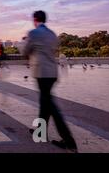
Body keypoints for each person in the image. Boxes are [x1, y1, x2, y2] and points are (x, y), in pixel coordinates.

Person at [23, 10, 77, 152]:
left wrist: (24, 41)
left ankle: (69, 141)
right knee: (45, 102)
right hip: (52, 72)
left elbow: (25, 51)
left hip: (41, 72)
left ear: (35, 19)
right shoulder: (52, 34)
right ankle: (40, 132)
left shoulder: (33, 33)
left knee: (51, 105)